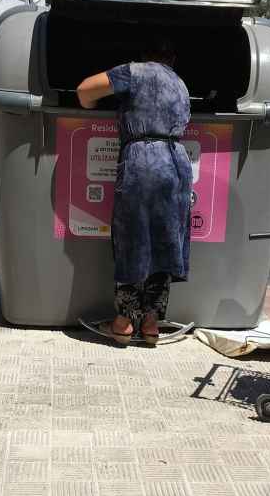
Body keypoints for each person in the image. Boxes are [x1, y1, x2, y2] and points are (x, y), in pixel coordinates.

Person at [75, 36, 192, 346]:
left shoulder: (134, 72)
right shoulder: (180, 83)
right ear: (172, 59)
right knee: (165, 242)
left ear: (145, 55)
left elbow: (85, 89)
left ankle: (124, 321)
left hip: (143, 159)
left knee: (133, 239)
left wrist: (91, 106)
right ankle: (151, 323)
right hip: (177, 162)